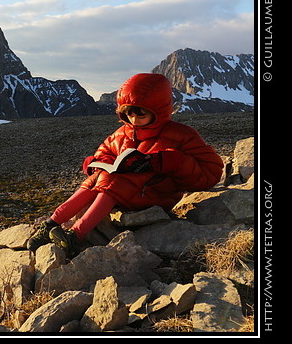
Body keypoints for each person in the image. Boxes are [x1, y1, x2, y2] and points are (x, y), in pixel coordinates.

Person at [27, 73, 224, 256]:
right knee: (100, 176)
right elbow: (103, 152)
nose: (134, 120)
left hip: (157, 194)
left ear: (159, 110)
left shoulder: (182, 134)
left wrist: (169, 161)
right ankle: (50, 225)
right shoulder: (122, 132)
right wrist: (94, 164)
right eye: (129, 114)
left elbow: (211, 173)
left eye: (141, 114)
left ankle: (75, 236)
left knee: (114, 180)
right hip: (129, 192)